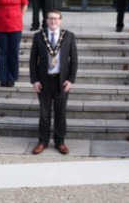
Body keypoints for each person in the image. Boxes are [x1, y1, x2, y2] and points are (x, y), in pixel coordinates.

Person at [29, 10, 78, 155]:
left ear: (60, 20)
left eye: (56, 18)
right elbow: (33, 60)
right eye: (50, 18)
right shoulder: (38, 36)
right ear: (46, 20)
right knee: (44, 113)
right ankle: (43, 142)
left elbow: (74, 60)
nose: (53, 21)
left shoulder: (69, 36)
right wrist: (34, 80)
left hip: (62, 82)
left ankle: (60, 142)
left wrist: (71, 79)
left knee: (60, 112)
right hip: (44, 81)